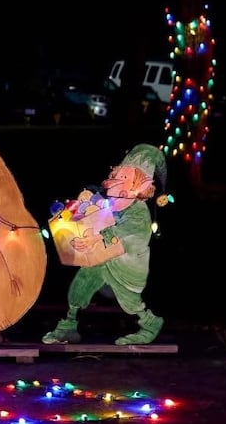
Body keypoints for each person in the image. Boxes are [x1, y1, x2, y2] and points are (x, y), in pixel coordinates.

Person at [43, 144, 170, 346]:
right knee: (80, 286)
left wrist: (98, 237)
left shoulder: (139, 212)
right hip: (100, 260)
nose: (117, 178)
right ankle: (68, 325)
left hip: (125, 265)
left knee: (130, 301)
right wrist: (84, 203)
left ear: (141, 185)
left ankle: (150, 324)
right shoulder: (113, 201)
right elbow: (98, 213)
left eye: (124, 177)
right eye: (117, 173)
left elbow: (128, 237)